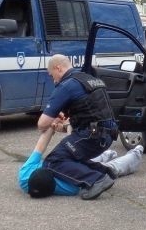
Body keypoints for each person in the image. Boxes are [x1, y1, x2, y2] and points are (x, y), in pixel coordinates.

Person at [36, 54, 119, 200]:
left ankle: (96, 179)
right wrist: (63, 121)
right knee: (69, 154)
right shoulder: (88, 78)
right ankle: (106, 172)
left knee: (53, 161)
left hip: (92, 136)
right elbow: (89, 111)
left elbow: (42, 124)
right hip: (108, 135)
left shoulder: (66, 85)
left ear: (58, 68)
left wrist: (52, 118)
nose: (53, 80)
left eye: (51, 75)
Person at [18, 124, 144, 198]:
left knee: (92, 159)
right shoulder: (67, 188)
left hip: (68, 159)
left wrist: (52, 124)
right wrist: (65, 127)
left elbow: (40, 147)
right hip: (75, 165)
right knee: (110, 167)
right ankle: (136, 153)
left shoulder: (24, 177)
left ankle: (108, 153)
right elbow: (71, 146)